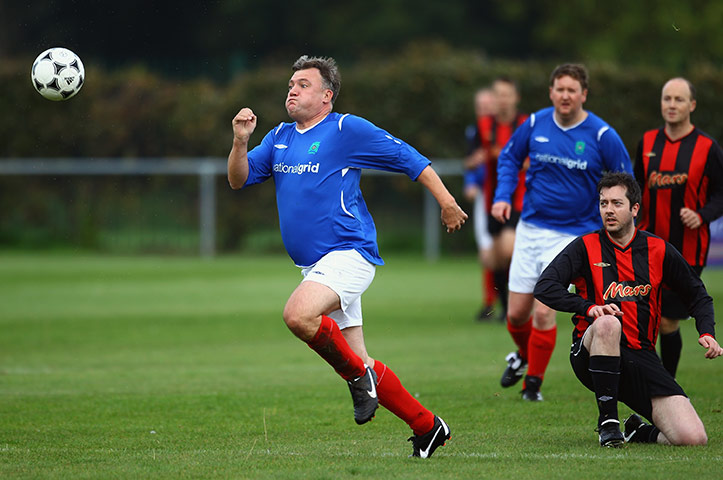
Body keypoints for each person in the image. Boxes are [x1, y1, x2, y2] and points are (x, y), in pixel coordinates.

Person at [227, 55, 468, 458]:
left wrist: (446, 202)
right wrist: (239, 141)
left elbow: (409, 158)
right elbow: (238, 179)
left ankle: (359, 380)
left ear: (327, 95)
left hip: (349, 254)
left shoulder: (345, 128)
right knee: (361, 358)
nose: (292, 89)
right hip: (316, 266)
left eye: (303, 84)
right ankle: (427, 427)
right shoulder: (280, 136)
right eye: (291, 83)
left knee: (298, 315)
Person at [534, 172, 721, 447]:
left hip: (641, 357)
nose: (608, 210)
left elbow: (698, 294)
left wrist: (707, 331)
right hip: (591, 350)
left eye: (616, 203)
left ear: (634, 208)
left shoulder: (658, 249)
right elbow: (545, 287)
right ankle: (608, 422)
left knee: (692, 437)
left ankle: (637, 432)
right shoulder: (585, 247)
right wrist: (588, 308)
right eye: (603, 203)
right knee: (609, 323)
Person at [491, 64, 633, 401]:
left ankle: (533, 386)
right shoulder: (536, 124)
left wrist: (619, 223)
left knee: (544, 310)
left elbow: (626, 181)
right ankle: (525, 356)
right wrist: (502, 197)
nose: (565, 95)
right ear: (551, 92)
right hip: (531, 229)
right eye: (560, 89)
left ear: (584, 94)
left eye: (572, 90)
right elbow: (510, 158)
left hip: (574, 235)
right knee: (516, 315)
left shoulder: (601, 135)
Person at [634, 77, 723, 378]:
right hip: (647, 245)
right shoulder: (647, 143)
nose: (672, 105)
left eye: (679, 99)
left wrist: (702, 215)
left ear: (692, 105)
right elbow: (635, 188)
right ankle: (650, 381)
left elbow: (721, 194)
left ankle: (665, 385)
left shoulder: (708, 147)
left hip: (687, 249)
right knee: (646, 317)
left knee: (669, 320)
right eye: (667, 98)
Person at [477, 77, 529, 322]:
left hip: (518, 200)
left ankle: (524, 300)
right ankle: (506, 309)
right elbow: (475, 157)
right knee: (495, 258)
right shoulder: (485, 125)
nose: (502, 99)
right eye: (498, 94)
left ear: (515, 98)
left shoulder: (525, 124)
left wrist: (508, 155)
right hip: (492, 201)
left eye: (507, 94)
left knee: (509, 250)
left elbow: (533, 159)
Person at [463, 87, 499, 321]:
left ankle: (510, 303)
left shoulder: (508, 130)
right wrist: (471, 182)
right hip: (485, 198)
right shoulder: (474, 131)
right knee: (487, 253)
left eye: (488, 106)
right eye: (480, 107)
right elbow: (471, 162)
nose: (484, 111)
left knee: (508, 252)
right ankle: (490, 303)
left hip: (508, 196)